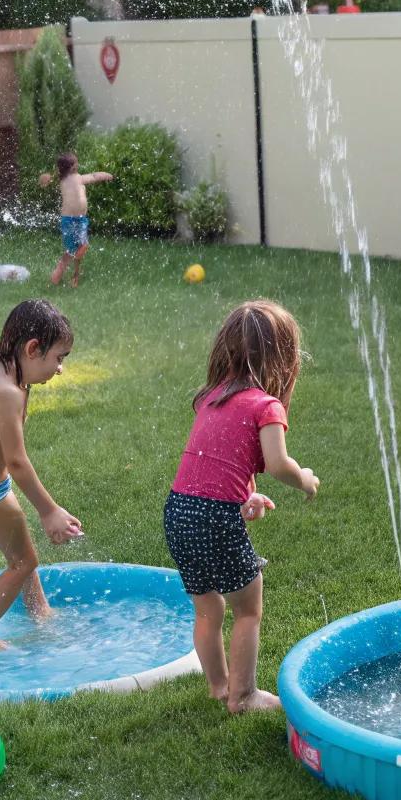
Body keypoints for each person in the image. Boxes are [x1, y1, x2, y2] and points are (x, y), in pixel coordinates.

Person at [163, 300, 319, 713]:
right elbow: (277, 463)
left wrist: (244, 494)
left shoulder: (211, 398)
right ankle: (243, 696)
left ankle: (219, 687)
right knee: (247, 609)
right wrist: (304, 478)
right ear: (283, 359)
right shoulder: (266, 406)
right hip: (214, 516)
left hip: (179, 511)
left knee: (207, 609)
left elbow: (217, 462)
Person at [0, 299, 82, 650]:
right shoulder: (7, 392)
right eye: (58, 358)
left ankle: (41, 612)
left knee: (21, 554)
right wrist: (49, 510)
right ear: (32, 348)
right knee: (24, 562)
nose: (60, 368)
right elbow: (18, 461)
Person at [38, 153, 114, 288]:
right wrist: (106, 175)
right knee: (73, 250)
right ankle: (57, 278)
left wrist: (105, 175)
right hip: (70, 220)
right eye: (76, 163)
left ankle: (72, 275)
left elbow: (93, 176)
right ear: (72, 167)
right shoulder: (74, 178)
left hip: (80, 220)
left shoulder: (65, 179)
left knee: (78, 248)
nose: (78, 165)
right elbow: (93, 176)